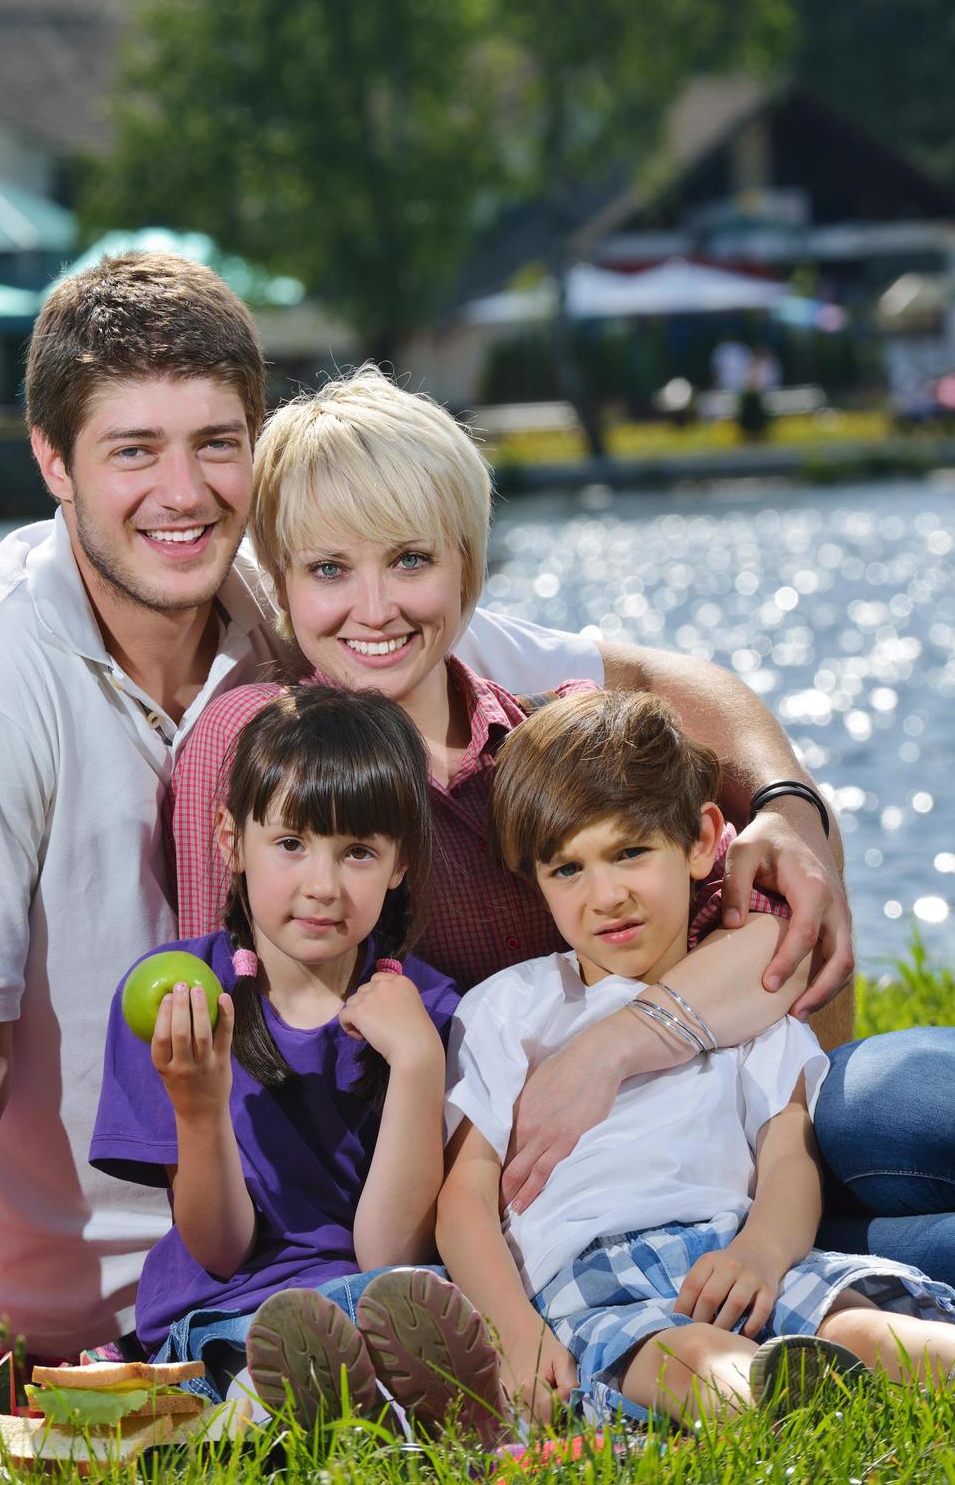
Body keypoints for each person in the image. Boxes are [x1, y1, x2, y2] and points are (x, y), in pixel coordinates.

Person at [0, 275, 850, 1380]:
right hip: (222, 1253)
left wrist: (786, 810)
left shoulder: (293, 597)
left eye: (216, 443)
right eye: (133, 448)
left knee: (904, 1105)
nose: (182, 491)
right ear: (53, 458)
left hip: (676, 1156)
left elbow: (667, 682)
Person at [171, 367, 955, 1279]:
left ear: (469, 561)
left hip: (741, 1132)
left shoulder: (553, 737)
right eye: (330, 569)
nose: (375, 608)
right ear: (285, 582)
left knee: (903, 1100)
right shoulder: (268, 754)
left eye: (412, 560)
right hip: (558, 1227)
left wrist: (610, 1049)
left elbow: (780, 933)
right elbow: (234, 1004)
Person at [436, 689, 955, 1427]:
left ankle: (894, 1366)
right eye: (567, 870)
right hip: (592, 1272)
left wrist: (762, 1254)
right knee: (680, 1358)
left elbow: (788, 1160)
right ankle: (775, 1403)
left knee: (861, 1324)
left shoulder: (742, 1010)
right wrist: (514, 1330)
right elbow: (463, 1201)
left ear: (704, 840)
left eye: (630, 852)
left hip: (734, 1252)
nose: (605, 895)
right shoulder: (507, 1010)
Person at [90, 685, 501, 1434]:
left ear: (400, 864)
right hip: (225, 1316)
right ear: (229, 844)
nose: (322, 885)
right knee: (278, 1345)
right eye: (291, 844)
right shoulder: (182, 999)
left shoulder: (437, 1014)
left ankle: (349, 1406)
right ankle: (299, 1403)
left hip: (380, 1306)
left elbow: (387, 1253)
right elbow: (218, 1251)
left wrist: (415, 1065)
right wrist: (198, 1105)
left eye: (358, 854)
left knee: (401, 1309)